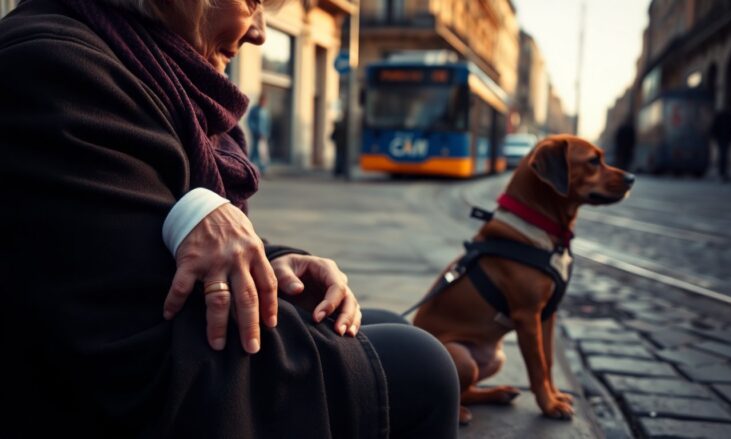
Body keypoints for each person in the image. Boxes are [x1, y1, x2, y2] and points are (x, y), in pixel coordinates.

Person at [0, 1, 459, 437]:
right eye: (251, 1)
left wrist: (273, 262)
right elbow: (135, 324)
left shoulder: (122, 60)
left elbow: (146, 218)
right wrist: (197, 212)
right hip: (111, 390)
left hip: (146, 352)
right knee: (424, 367)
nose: (259, 32)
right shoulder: (52, 66)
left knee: (371, 322)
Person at [710, 108, 731, 182]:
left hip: (722, 138)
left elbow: (714, 127)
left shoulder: (720, 116)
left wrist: (714, 136)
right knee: (724, 155)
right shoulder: (730, 116)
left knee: (723, 155)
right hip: (726, 138)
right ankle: (723, 172)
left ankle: (722, 171)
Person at [248, 92, 271, 174]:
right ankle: (250, 168)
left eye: (265, 101)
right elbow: (250, 121)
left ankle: (263, 170)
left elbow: (268, 124)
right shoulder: (254, 110)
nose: (264, 103)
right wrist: (255, 131)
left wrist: (267, 134)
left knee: (263, 154)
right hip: (256, 135)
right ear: (260, 100)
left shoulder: (266, 111)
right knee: (254, 152)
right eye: (263, 101)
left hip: (264, 136)